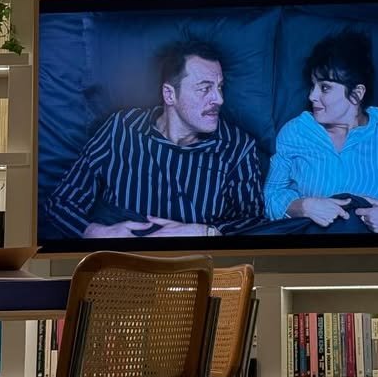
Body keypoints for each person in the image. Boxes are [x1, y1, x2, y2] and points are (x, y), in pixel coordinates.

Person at [43, 39, 263, 239]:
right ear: (170, 95)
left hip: (200, 264)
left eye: (220, 87)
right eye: (205, 88)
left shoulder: (238, 147)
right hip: (119, 263)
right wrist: (95, 232)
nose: (219, 99)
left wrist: (206, 232)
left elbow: (255, 222)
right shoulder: (122, 128)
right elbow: (61, 201)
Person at [263, 29, 378, 232]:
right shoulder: (296, 132)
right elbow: (271, 195)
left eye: (324, 88)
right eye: (312, 85)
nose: (312, 96)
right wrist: (304, 206)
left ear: (356, 94)